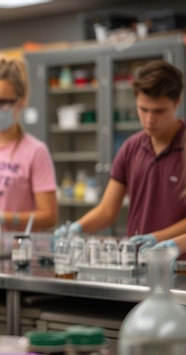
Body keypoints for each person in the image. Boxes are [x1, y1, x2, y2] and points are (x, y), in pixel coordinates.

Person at [56, 60, 186, 248]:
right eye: (143, 109)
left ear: (177, 103)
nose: (150, 119)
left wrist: (159, 238)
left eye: (159, 111)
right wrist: (78, 227)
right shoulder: (131, 148)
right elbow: (108, 210)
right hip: (138, 264)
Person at [0, 57, 57, 232]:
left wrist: (5, 218)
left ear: (20, 101)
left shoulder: (35, 151)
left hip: (17, 250)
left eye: (2, 102)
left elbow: (49, 216)